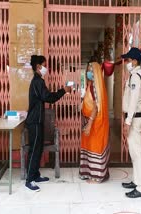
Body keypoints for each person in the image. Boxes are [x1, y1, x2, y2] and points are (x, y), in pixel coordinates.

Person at [25, 55, 72, 192]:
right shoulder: (38, 82)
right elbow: (48, 98)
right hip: (34, 121)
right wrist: (64, 90)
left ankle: (35, 175)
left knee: (38, 148)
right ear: (38, 66)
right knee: (34, 150)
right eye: (45, 65)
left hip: (37, 120)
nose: (47, 67)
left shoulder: (38, 81)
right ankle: (29, 180)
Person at [121, 47, 141, 198]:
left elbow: (133, 100)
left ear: (135, 61)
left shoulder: (136, 76)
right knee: (134, 152)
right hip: (133, 117)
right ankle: (136, 181)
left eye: (129, 60)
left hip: (134, 118)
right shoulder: (134, 75)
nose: (127, 63)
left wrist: (128, 121)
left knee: (137, 153)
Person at [79, 60, 110, 183]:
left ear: (96, 73)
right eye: (87, 71)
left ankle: (96, 177)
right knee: (89, 148)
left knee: (95, 148)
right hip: (89, 122)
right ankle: (89, 173)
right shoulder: (90, 85)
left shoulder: (95, 87)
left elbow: (97, 107)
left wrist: (89, 124)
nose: (88, 73)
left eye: (91, 71)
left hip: (95, 124)